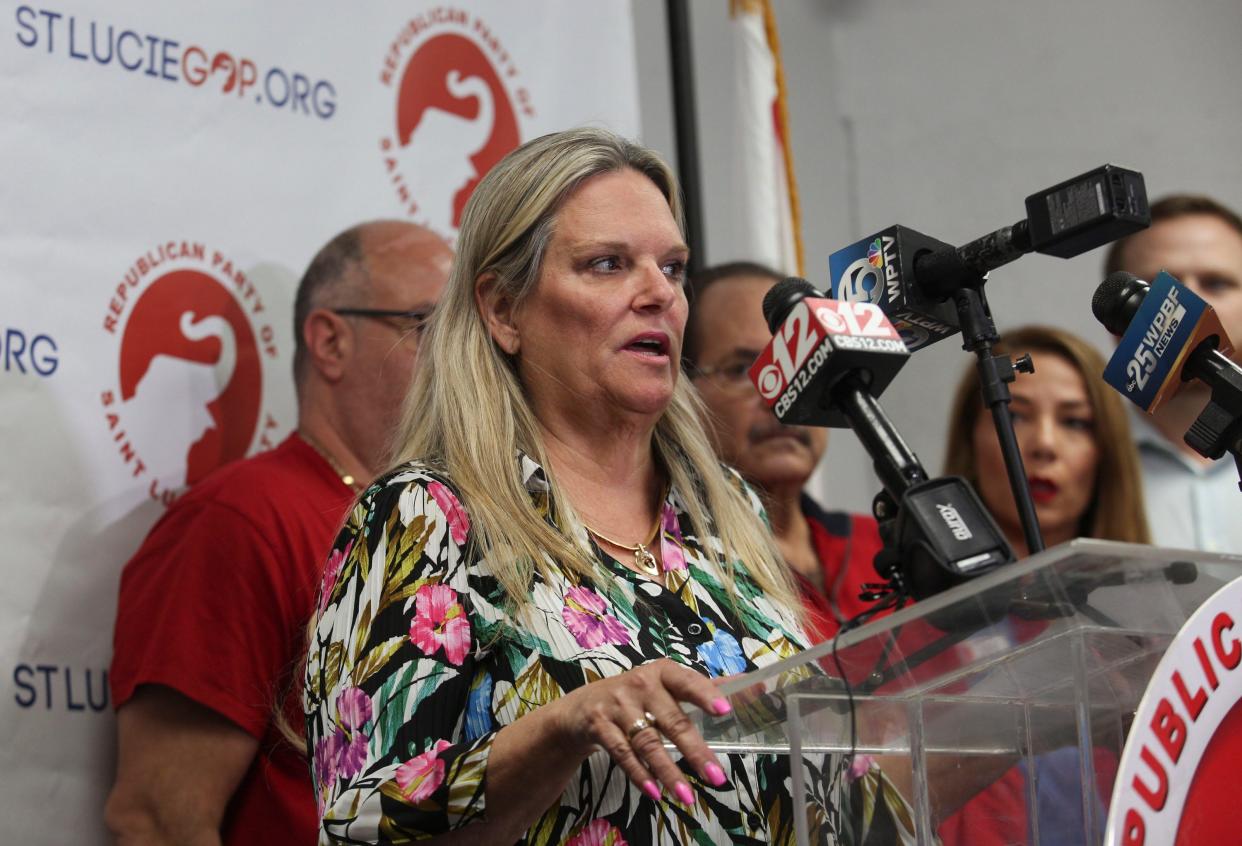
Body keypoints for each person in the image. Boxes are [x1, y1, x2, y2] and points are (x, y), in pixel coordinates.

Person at [303, 128, 918, 844]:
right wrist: (563, 726)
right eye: (607, 265)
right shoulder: (423, 517)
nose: (660, 294)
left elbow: (821, 799)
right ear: (503, 310)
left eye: (673, 267)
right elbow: (361, 822)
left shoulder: (723, 508)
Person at [105, 221, 453, 846]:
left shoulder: (436, 522)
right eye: (430, 328)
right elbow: (157, 821)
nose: (459, 360)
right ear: (329, 342)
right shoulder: (241, 521)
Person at [938, 324, 1150, 846]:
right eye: (1014, 416)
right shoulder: (915, 622)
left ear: (1106, 453)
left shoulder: (1149, 622)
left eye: (1074, 422)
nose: (1044, 445)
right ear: (971, 437)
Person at [684, 261, 885, 643]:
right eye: (743, 369)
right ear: (682, 392)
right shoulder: (682, 575)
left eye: (801, 362)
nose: (778, 394)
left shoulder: (886, 548)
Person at [1102, 193, 1242, 552]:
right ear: (1118, 323)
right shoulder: (1077, 465)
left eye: (1216, 283)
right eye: (1162, 287)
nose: (1188, 302)